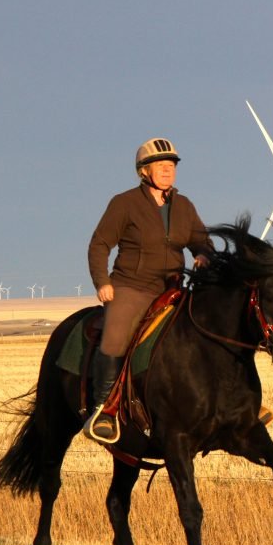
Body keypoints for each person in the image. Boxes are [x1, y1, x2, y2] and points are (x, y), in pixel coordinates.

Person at [83, 138, 212, 444]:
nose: (168, 171)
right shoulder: (124, 203)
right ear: (144, 171)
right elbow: (100, 244)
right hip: (132, 287)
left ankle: (231, 403)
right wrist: (102, 282)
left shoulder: (185, 206)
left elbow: (201, 240)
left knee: (209, 329)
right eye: (161, 166)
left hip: (173, 287)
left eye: (172, 166)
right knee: (115, 336)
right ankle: (105, 410)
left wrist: (204, 254)